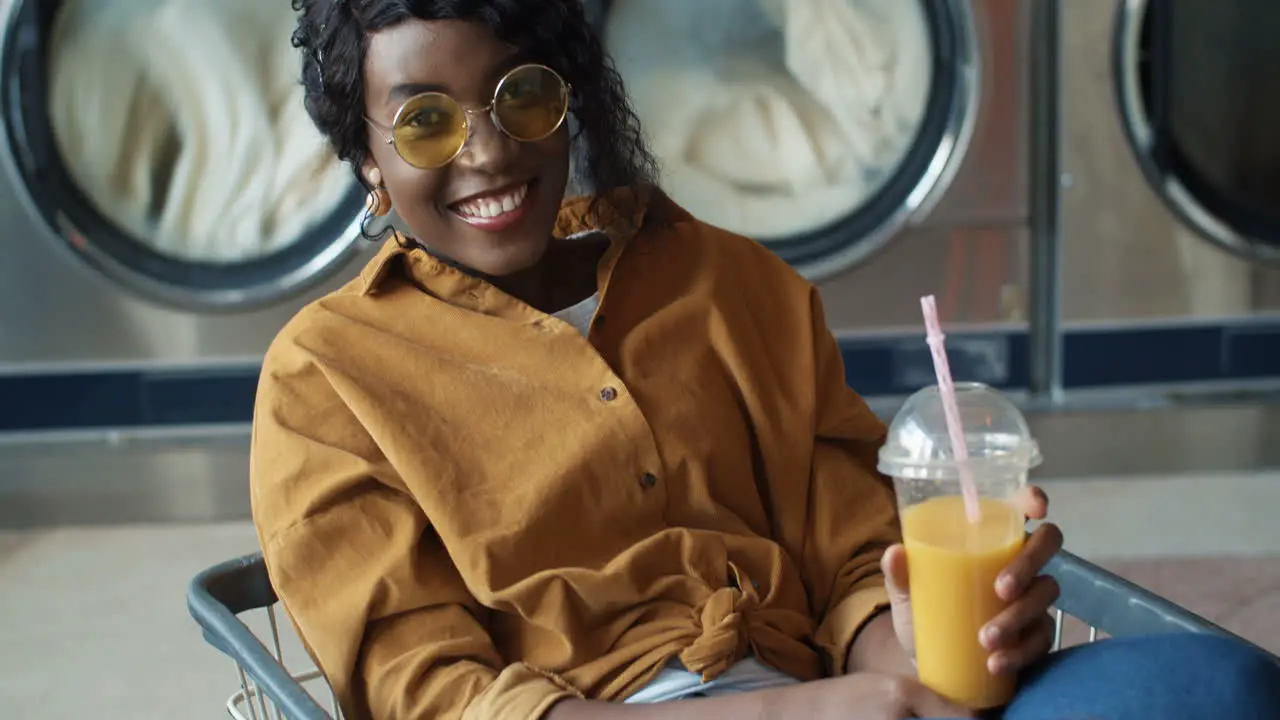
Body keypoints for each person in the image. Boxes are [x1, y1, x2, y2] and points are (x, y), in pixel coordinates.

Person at [251, 1, 1280, 719]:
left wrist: (917, 641)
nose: (486, 153)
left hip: (839, 690)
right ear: (366, 162)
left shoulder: (719, 279)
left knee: (1221, 687)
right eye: (423, 122)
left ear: (568, 98)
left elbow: (845, 563)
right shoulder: (326, 377)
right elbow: (427, 698)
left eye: (520, 96)